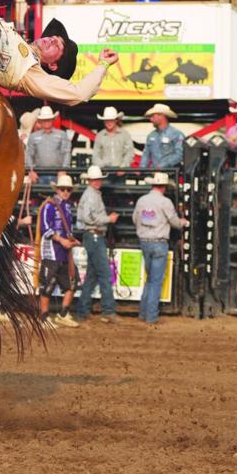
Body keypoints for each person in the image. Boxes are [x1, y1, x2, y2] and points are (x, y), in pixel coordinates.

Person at [132, 172, 187, 327]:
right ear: (163, 187)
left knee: (150, 278)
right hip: (159, 242)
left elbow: (135, 218)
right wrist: (183, 222)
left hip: (144, 241)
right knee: (156, 280)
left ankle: (143, 312)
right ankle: (151, 316)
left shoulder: (142, 200)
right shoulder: (165, 202)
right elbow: (174, 222)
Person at [75, 166, 119, 324]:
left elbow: (87, 217)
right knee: (105, 274)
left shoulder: (91, 194)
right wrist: (108, 219)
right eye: (95, 179)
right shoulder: (91, 196)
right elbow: (88, 217)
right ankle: (108, 310)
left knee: (92, 276)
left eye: (98, 179)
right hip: (94, 235)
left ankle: (83, 310)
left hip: (94, 236)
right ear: (90, 180)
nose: (97, 182)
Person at [36, 173, 79, 328]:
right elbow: (45, 228)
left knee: (72, 282)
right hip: (51, 251)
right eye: (63, 189)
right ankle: (44, 317)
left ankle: (63, 314)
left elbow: (68, 229)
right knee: (48, 284)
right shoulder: (49, 206)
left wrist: (71, 240)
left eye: (68, 189)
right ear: (58, 190)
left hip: (64, 252)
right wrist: (62, 240)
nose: (66, 192)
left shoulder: (67, 207)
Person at [25, 106, 71, 183]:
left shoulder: (62, 134)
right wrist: (31, 171)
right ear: (40, 121)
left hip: (58, 174)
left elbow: (66, 153)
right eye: (44, 120)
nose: (46, 122)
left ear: (52, 120)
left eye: (48, 120)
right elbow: (29, 155)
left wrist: (63, 170)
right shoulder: (33, 136)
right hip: (38, 174)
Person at [140, 104, 184, 169]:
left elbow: (180, 155)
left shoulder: (176, 134)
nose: (151, 119)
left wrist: (162, 166)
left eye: (153, 116)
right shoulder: (151, 135)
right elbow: (146, 154)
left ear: (161, 116)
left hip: (171, 174)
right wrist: (142, 168)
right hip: (154, 174)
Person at [91, 106, 135, 170]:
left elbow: (130, 153)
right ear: (104, 121)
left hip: (121, 171)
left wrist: (123, 167)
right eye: (107, 120)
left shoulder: (125, 134)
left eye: (111, 120)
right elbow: (95, 155)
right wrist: (102, 167)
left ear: (116, 120)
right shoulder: (99, 136)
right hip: (104, 171)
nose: (109, 123)